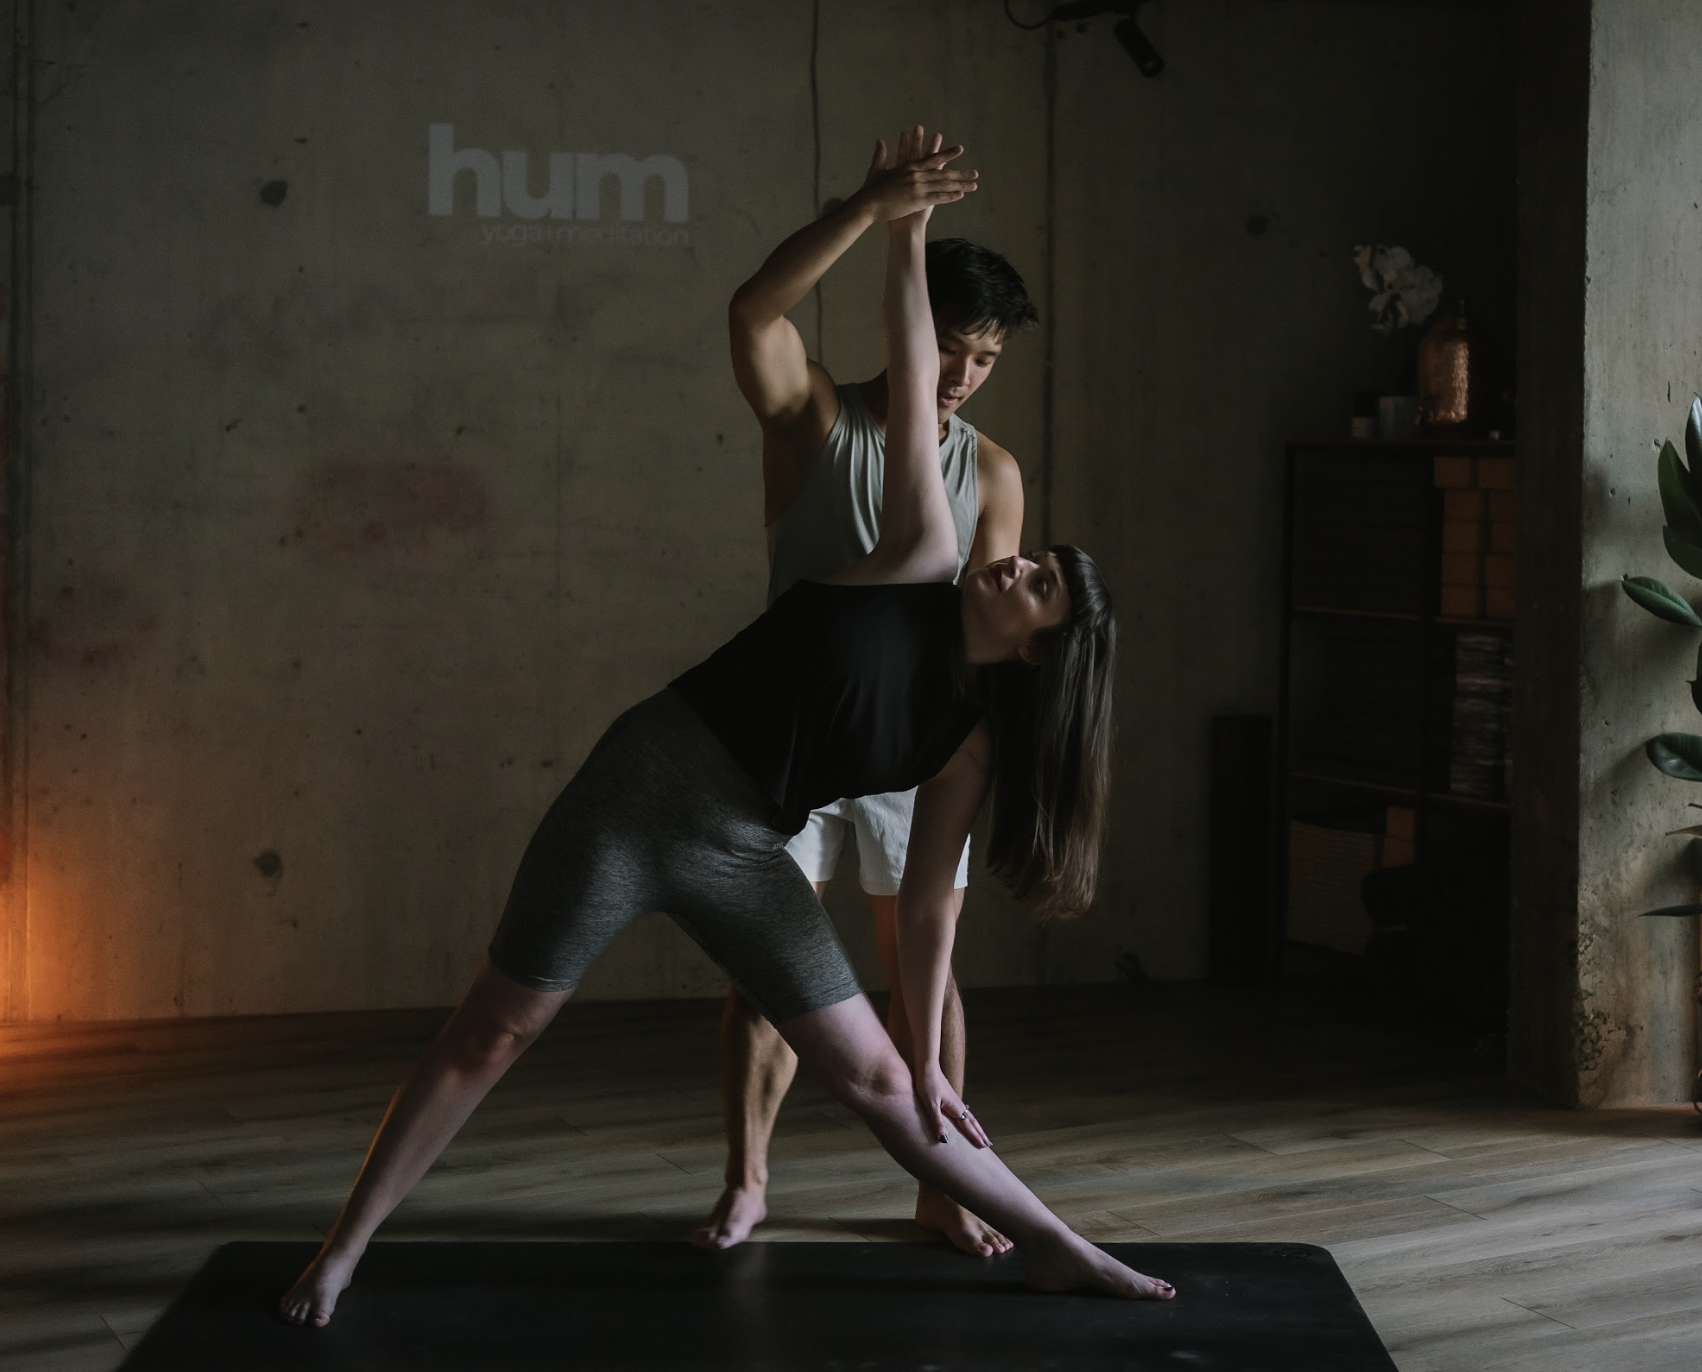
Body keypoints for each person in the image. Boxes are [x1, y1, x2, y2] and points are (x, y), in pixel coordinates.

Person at [275, 127, 1169, 1328]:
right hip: (635, 794)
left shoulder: (968, 746)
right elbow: (907, 376)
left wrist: (919, 1059)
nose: (1017, 568)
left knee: (877, 1082)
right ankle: (341, 1251)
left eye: (1038, 583)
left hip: (742, 848)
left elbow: (930, 902)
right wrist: (897, 225)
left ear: (1041, 650)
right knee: (496, 1030)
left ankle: (1060, 1243)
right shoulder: (918, 549)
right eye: (1032, 564)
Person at [693, 132, 1036, 1258]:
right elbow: (751, 311)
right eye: (951, 346)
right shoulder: (816, 418)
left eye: (986, 358)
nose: (965, 373)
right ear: (906, 322)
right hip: (789, 746)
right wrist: (870, 208)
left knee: (920, 984)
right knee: (766, 984)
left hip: (906, 748)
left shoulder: (988, 472)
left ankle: (942, 1186)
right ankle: (746, 1185)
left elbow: (986, 629)